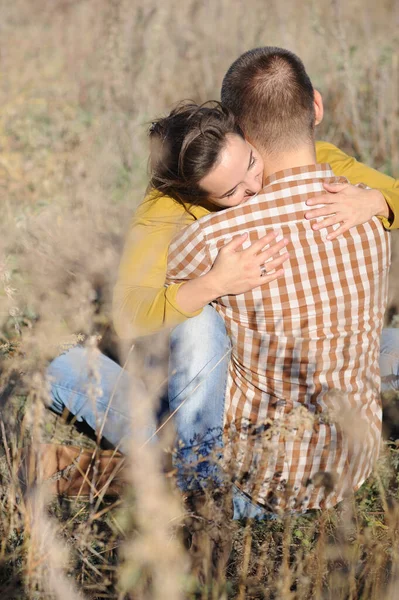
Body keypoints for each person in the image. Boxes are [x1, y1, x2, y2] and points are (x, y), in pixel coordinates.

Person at [46, 53, 399, 517]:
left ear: (245, 135)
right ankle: (197, 480)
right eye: (232, 192)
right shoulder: (171, 207)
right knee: (199, 329)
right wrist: (213, 282)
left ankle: (146, 467)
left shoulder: (314, 160)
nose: (254, 187)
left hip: (287, 347)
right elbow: (132, 314)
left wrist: (374, 199)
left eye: (253, 165)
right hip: (226, 360)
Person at [166, 46, 392, 514]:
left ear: (236, 133)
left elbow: (144, 303)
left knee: (185, 324)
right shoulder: (369, 211)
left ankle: (193, 488)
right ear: (317, 106)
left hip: (258, 481)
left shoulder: (213, 236)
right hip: (351, 468)